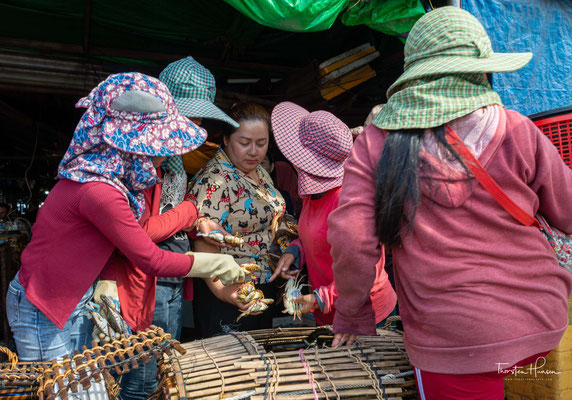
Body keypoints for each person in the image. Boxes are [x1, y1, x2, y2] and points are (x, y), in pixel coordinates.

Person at [327, 7, 572, 399]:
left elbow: (353, 241)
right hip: (540, 322)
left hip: (454, 343)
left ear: (414, 74)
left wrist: (352, 314)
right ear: (480, 70)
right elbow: (568, 210)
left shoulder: (376, 142)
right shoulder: (517, 128)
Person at [5, 72, 245, 362]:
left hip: (73, 297)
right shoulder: (100, 191)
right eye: (159, 146)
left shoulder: (111, 180)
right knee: (64, 389)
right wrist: (216, 263)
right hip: (43, 304)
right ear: (132, 145)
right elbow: (150, 259)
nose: (163, 155)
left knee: (87, 388)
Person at [118, 57, 240, 400]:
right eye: (188, 117)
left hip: (168, 281)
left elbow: (168, 215)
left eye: (199, 118)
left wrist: (195, 220)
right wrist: (190, 211)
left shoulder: (176, 162)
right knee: (141, 380)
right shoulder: (143, 163)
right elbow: (138, 234)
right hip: (144, 284)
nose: (194, 126)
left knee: (163, 371)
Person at [268, 102, 397, 327]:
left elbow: (367, 270)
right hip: (330, 315)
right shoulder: (313, 192)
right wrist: (295, 251)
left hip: (367, 316)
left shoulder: (347, 200)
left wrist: (321, 297)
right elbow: (316, 235)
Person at [188, 102, 286, 338]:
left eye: (261, 143)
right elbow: (203, 243)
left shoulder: (259, 171)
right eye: (244, 143)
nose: (254, 151)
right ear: (226, 140)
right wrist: (225, 291)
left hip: (263, 287)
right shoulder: (213, 180)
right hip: (230, 293)